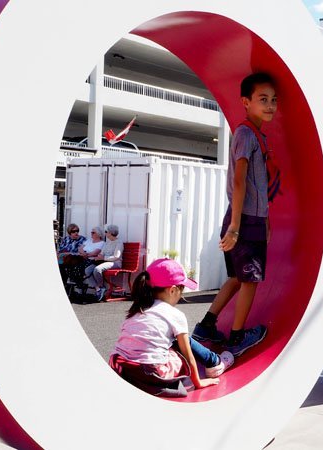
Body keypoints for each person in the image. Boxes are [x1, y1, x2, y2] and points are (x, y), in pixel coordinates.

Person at [192, 73, 277, 357]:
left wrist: (265, 222)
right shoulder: (245, 133)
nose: (270, 105)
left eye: (273, 100)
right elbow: (239, 181)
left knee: (239, 277)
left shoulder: (256, 134)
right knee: (250, 279)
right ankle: (238, 337)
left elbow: (257, 186)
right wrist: (237, 227)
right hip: (243, 220)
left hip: (251, 219)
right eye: (262, 99)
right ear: (245, 102)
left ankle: (206, 324)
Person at [109, 258, 233, 397]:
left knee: (161, 339)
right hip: (151, 373)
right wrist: (198, 382)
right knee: (177, 343)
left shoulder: (137, 310)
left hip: (121, 368)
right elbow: (188, 354)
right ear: (173, 290)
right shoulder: (175, 315)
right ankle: (215, 363)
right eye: (181, 290)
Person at [86, 224, 125, 301]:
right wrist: (99, 257)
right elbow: (102, 253)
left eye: (106, 231)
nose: (105, 233)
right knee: (87, 270)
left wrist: (104, 258)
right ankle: (98, 289)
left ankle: (101, 286)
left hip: (115, 263)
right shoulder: (107, 242)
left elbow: (116, 257)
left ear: (111, 233)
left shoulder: (119, 243)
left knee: (97, 269)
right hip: (104, 261)